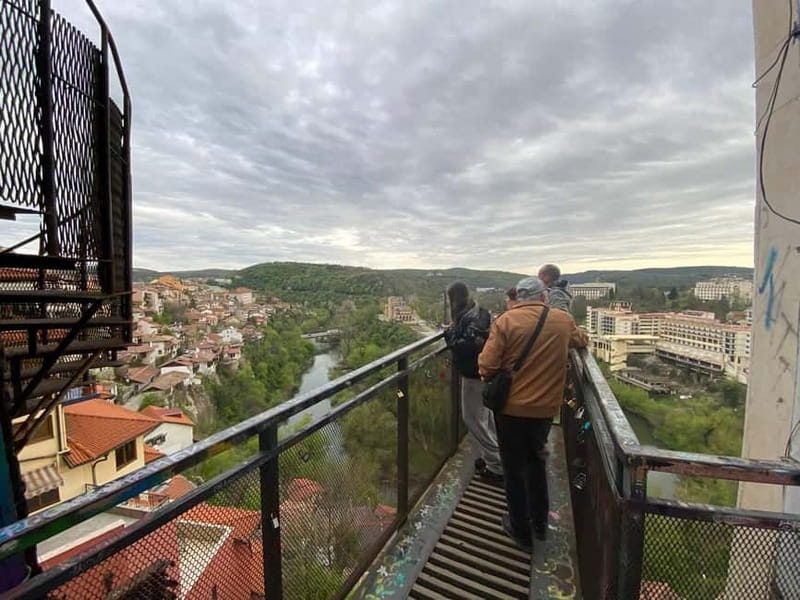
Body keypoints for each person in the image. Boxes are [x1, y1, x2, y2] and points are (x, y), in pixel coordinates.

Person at [478, 276, 588, 551]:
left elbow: (487, 366)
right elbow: (581, 341)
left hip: (510, 410)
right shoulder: (561, 320)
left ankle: (520, 529)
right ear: (544, 297)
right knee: (536, 462)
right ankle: (540, 524)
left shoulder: (505, 321)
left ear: (519, 297)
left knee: (514, 469)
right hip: (544, 409)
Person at [444, 282, 503, 483]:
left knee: (472, 419)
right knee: (485, 417)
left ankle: (496, 464)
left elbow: (468, 345)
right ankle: (493, 457)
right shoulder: (480, 312)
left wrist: (449, 333)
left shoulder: (471, 318)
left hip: (474, 374)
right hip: (483, 372)